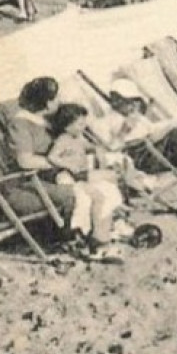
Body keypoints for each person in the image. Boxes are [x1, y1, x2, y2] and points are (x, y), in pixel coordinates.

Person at [9, 102, 126, 262]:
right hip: (65, 177)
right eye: (79, 124)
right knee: (95, 194)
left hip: (73, 175)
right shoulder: (62, 139)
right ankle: (99, 242)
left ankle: (104, 231)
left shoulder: (74, 137)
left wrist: (96, 150)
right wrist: (68, 163)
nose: (83, 127)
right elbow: (50, 158)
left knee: (107, 186)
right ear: (67, 125)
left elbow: (87, 146)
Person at [101, 79, 177, 212]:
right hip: (141, 156)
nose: (133, 106)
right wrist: (123, 132)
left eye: (133, 102)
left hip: (154, 149)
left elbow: (151, 129)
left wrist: (172, 122)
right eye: (129, 102)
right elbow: (110, 148)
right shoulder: (109, 120)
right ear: (118, 101)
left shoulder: (133, 116)